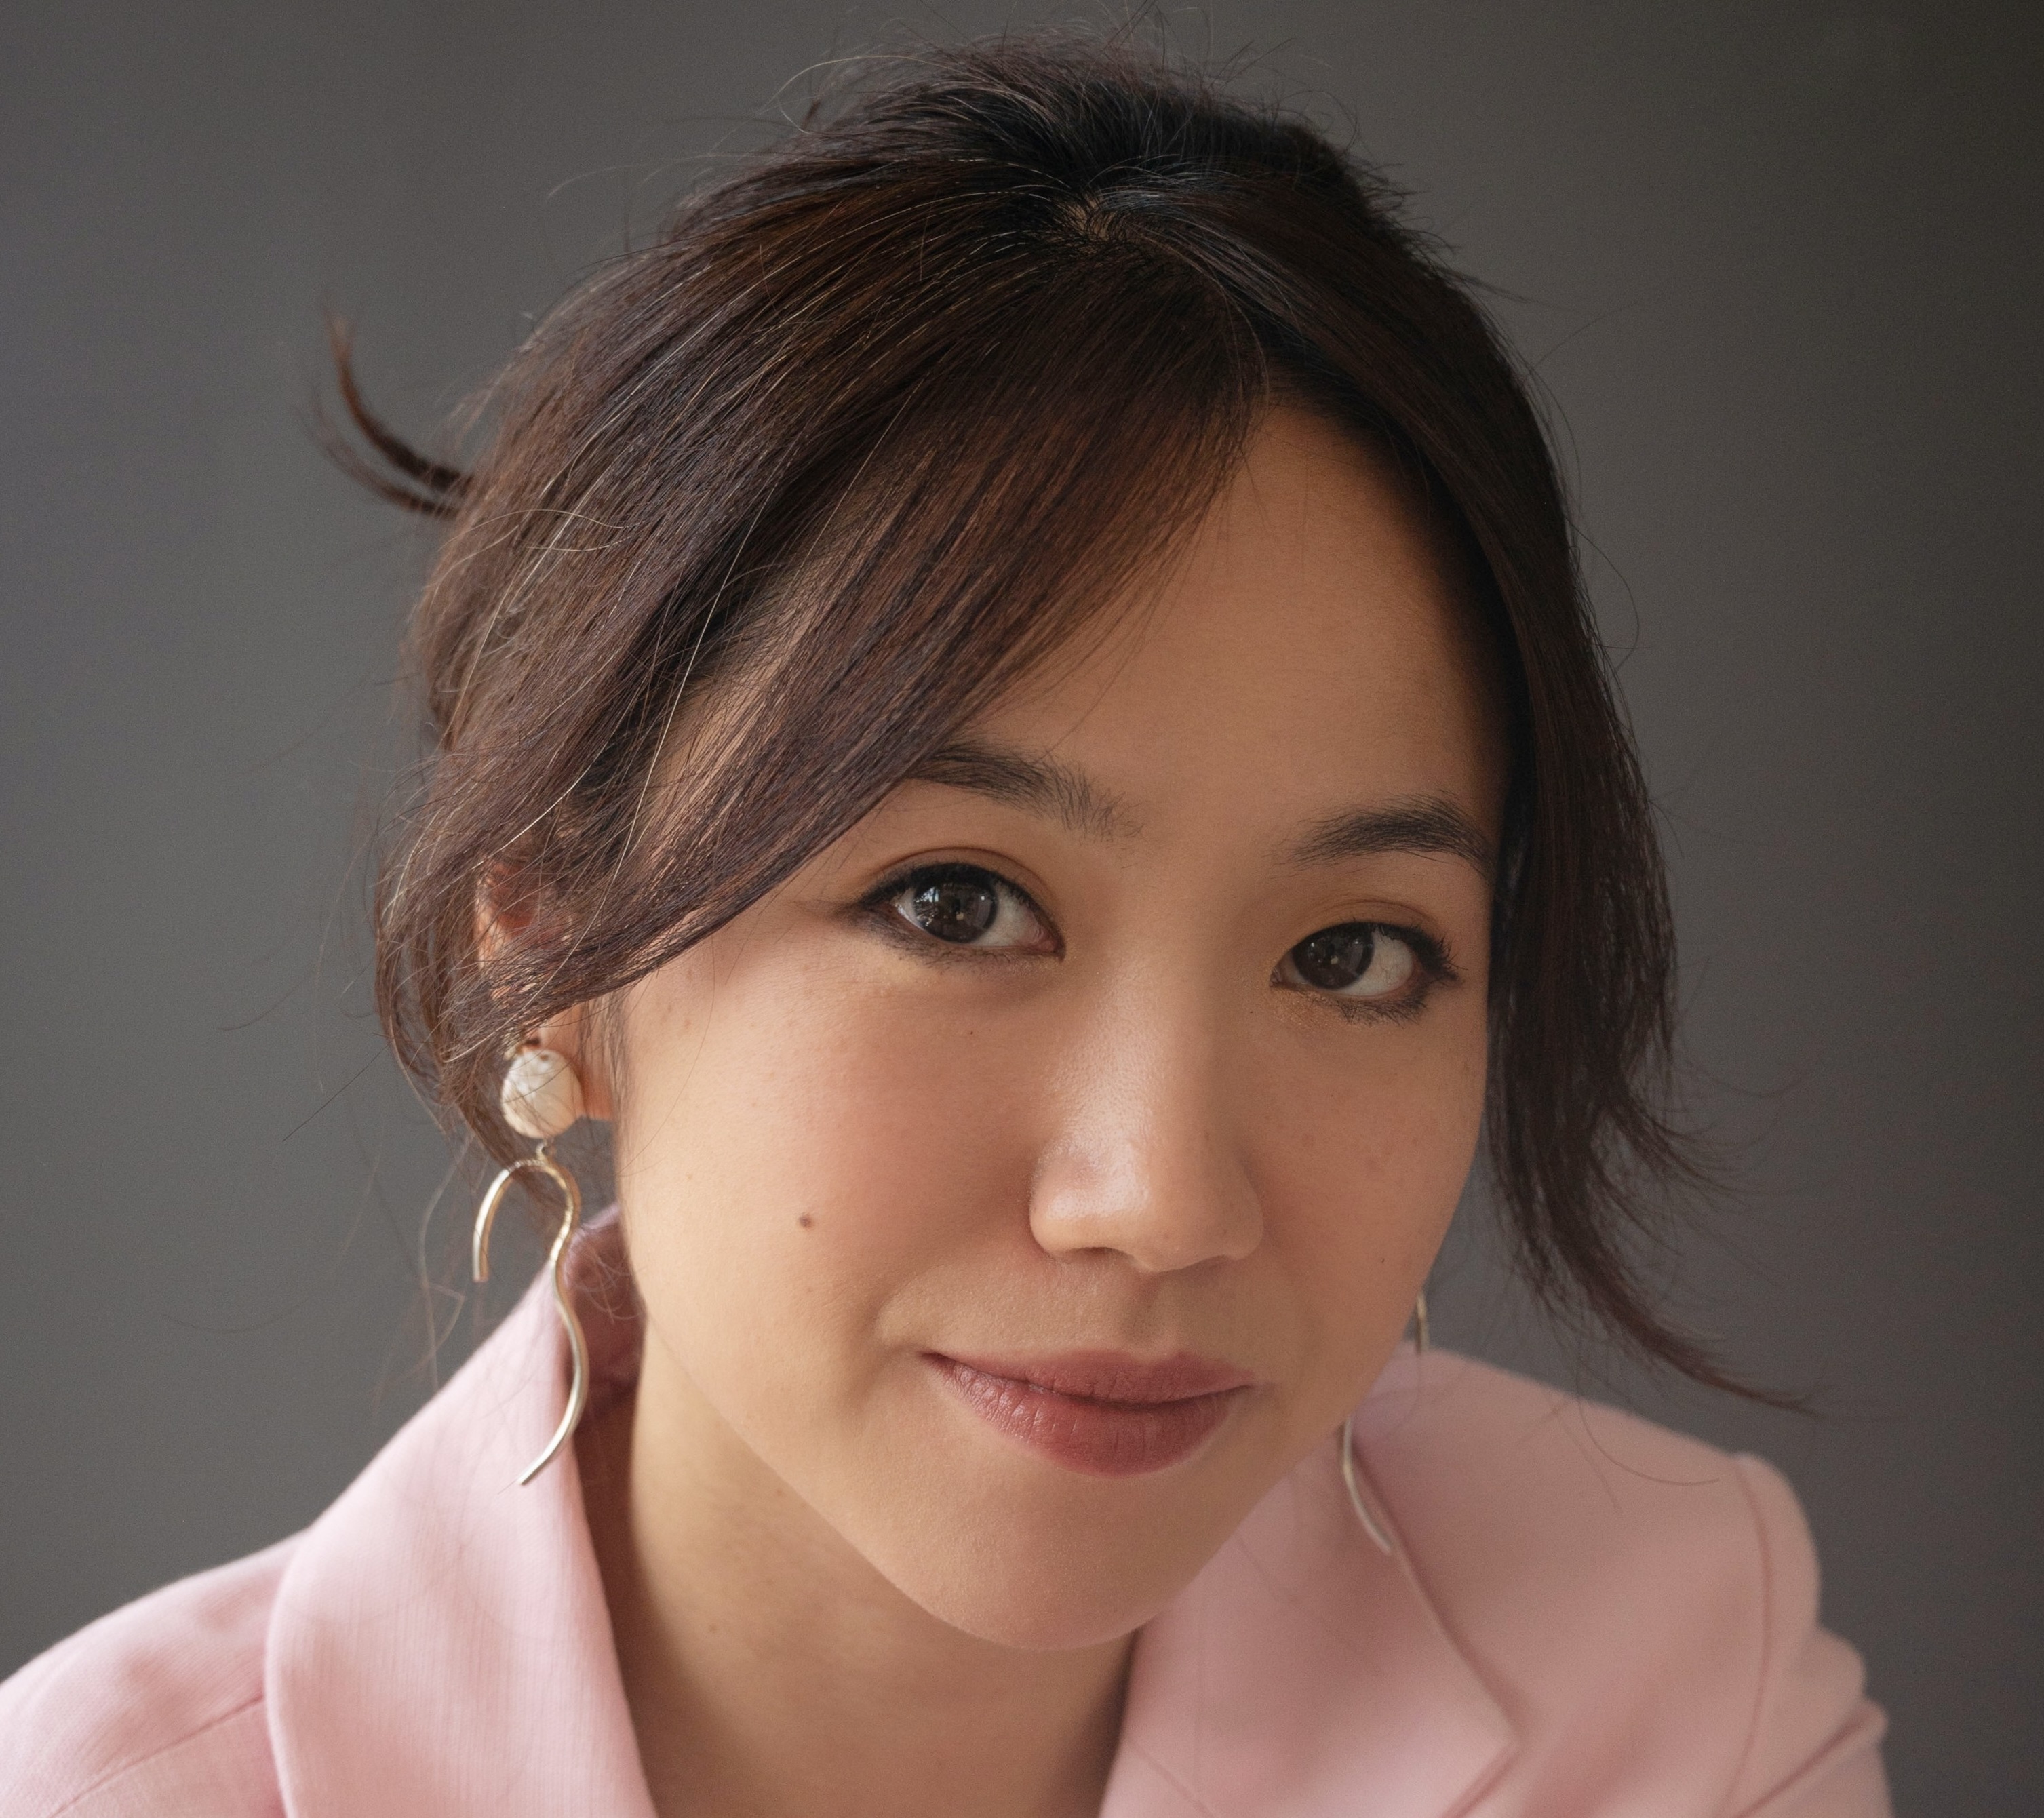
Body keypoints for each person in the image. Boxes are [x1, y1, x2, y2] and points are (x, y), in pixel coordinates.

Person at [0, 32, 1890, 1817]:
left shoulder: (1674, 1672)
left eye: (1349, 952)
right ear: (554, 957)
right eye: (955, 901)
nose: (1160, 1198)